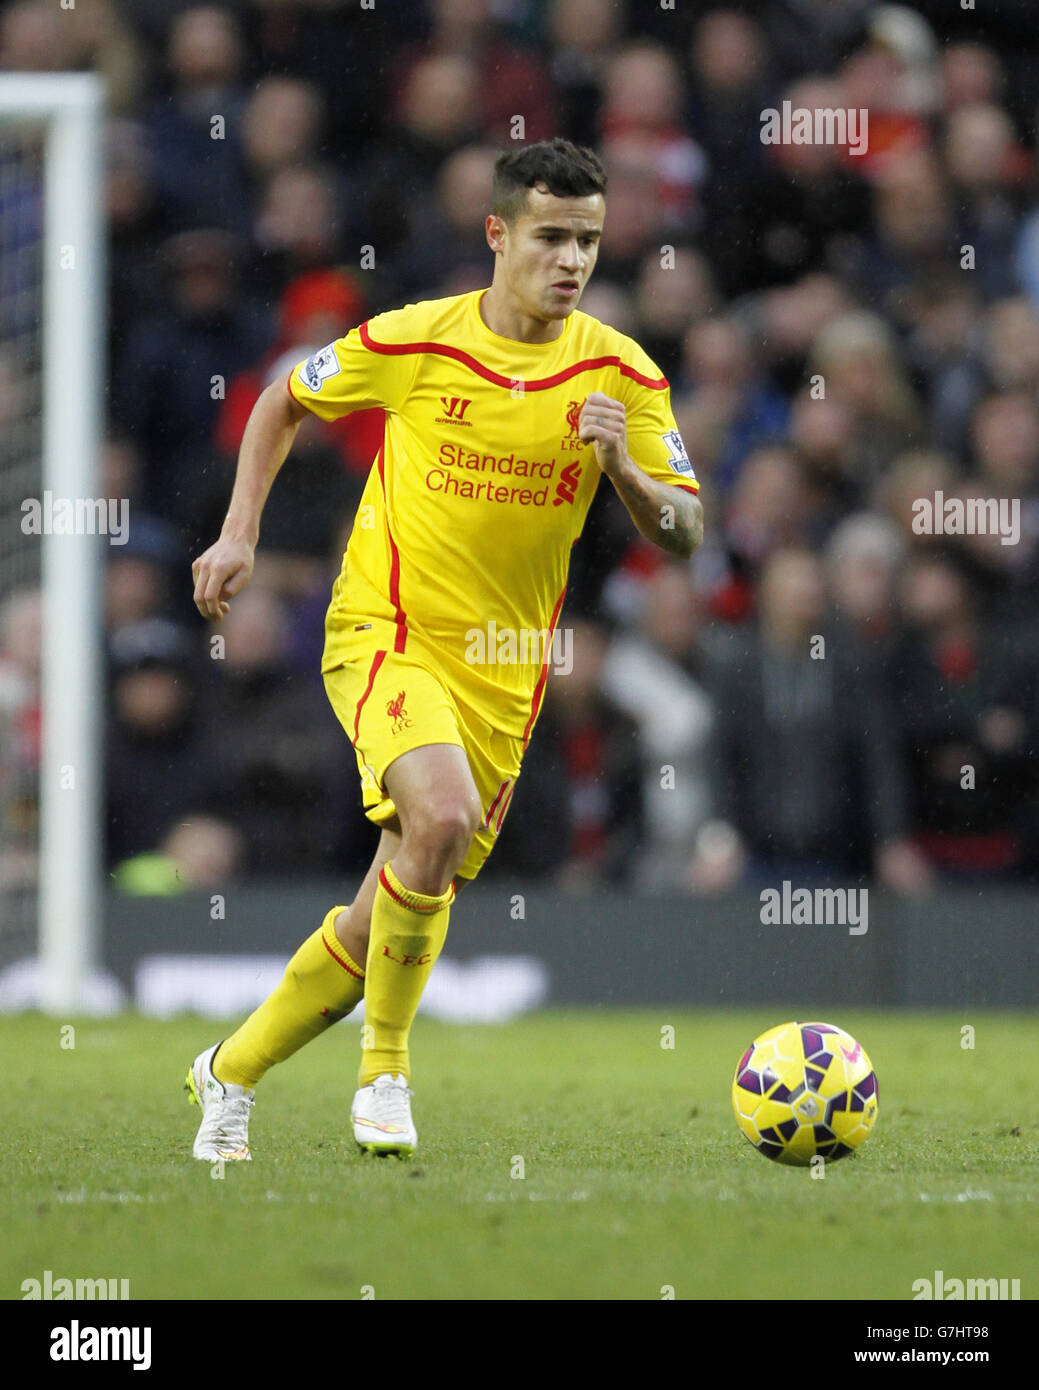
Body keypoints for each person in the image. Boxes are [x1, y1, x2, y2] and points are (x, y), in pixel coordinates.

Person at [186, 138, 703, 1161]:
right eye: (550, 237)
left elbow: (684, 531)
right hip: (385, 632)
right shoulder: (419, 341)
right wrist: (240, 528)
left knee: (387, 906)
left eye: (588, 242)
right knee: (442, 813)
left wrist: (623, 470)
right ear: (497, 234)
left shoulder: (620, 374)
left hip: (504, 675)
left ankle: (227, 1071)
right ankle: (384, 1072)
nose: (571, 261)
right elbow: (284, 397)